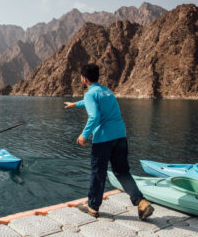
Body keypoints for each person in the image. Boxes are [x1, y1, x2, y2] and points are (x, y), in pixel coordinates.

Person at [64, 64, 154, 220]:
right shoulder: (106, 91)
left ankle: (92, 206)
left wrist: (83, 135)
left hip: (104, 139)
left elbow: (94, 116)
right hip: (120, 136)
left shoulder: (90, 94)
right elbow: (94, 101)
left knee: (98, 173)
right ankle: (141, 202)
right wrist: (75, 104)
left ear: (84, 79)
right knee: (122, 172)